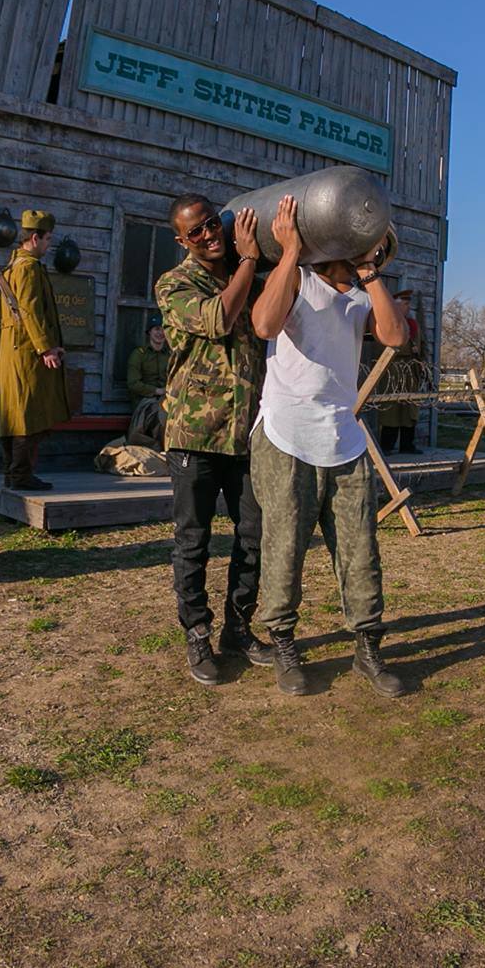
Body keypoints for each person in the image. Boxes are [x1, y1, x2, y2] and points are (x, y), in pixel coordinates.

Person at [249, 195, 411, 698]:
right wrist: (290, 252)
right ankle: (282, 643)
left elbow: (394, 335)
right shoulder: (299, 279)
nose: (376, 252)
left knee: (361, 550)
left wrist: (371, 274)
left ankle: (367, 647)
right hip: (285, 434)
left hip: (342, 436)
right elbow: (263, 325)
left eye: (380, 249)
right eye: (368, 246)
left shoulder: (363, 293)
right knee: (284, 548)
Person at [155, 193, 270, 687]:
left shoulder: (249, 276)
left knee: (253, 538)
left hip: (246, 436)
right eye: (195, 232)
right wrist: (248, 260)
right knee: (194, 541)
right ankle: (198, 632)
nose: (207, 235)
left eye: (210, 224)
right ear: (182, 240)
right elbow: (217, 319)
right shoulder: (175, 282)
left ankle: (238, 629)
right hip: (195, 436)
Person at [0, 209, 71, 490]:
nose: (49, 245)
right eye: (48, 239)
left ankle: (14, 474)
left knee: (17, 413)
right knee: (28, 414)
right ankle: (20, 474)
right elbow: (30, 311)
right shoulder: (26, 268)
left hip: (17, 350)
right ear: (35, 238)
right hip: (26, 351)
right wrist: (45, 348)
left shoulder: (16, 265)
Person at [374, 288, 424, 454]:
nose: (408, 307)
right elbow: (389, 345)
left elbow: (420, 346)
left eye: (408, 304)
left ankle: (407, 444)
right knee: (392, 408)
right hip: (394, 370)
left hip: (411, 370)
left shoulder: (412, 323)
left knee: (409, 409)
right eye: (405, 304)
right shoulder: (390, 322)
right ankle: (387, 445)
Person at [125, 317, 168, 448]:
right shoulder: (139, 354)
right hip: (145, 401)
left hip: (167, 399)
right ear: (149, 332)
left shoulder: (171, 355)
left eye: (163, 329)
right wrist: (157, 391)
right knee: (160, 417)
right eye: (156, 329)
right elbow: (133, 384)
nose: (160, 333)